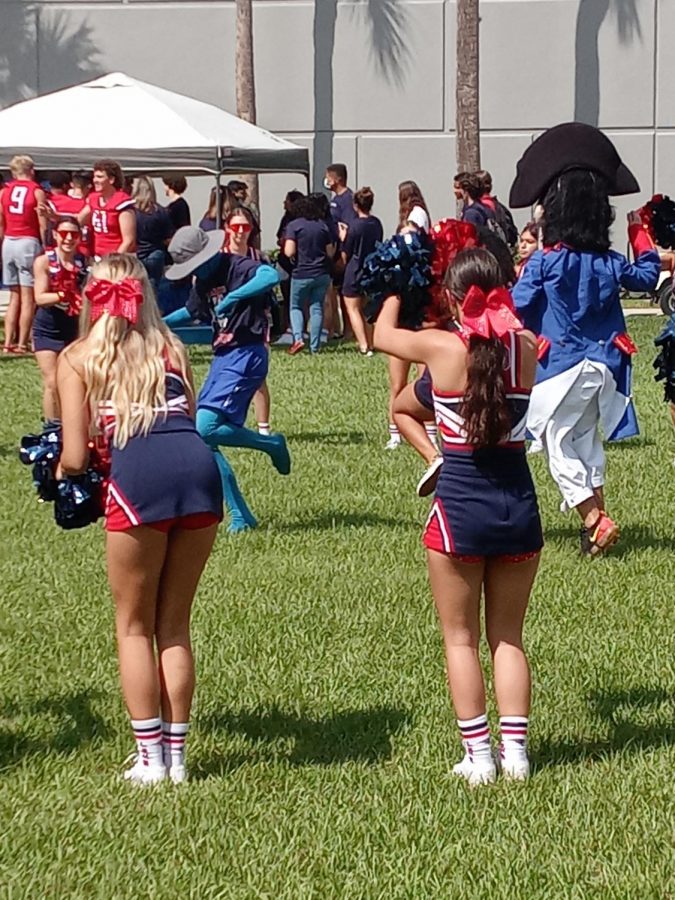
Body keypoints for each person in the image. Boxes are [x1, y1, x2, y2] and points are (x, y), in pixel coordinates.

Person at [374, 248, 542, 785]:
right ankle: (516, 755)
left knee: (460, 639)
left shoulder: (442, 347)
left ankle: (479, 757)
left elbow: (382, 336)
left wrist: (395, 284)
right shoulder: (526, 346)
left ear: (451, 297)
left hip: (460, 511)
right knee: (508, 638)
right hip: (519, 507)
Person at [56, 253, 222, 784]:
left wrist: (58, 473)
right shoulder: (171, 347)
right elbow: (189, 415)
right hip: (199, 471)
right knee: (175, 624)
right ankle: (177, 759)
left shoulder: (79, 356)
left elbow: (77, 456)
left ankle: (150, 759)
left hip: (140, 478)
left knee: (133, 625)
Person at [510, 122, 661, 555]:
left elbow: (515, 307)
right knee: (585, 440)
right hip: (607, 367)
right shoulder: (610, 262)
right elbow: (648, 274)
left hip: (561, 366)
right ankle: (595, 530)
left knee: (553, 438)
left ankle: (595, 519)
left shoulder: (546, 263)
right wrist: (640, 232)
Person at [164, 226, 290, 532]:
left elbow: (270, 276)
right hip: (222, 358)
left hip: (247, 354)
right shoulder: (203, 280)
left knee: (204, 428)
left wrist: (234, 297)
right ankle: (240, 514)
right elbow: (191, 312)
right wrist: (157, 323)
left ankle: (270, 444)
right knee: (202, 440)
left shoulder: (237, 265)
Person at [384, 181, 433, 450]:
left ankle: (431, 432)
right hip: (404, 320)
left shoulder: (415, 215)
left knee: (424, 378)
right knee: (398, 380)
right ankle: (395, 432)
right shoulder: (396, 281)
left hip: (419, 319)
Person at [33, 216, 87, 423]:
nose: (68, 239)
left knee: (75, 380)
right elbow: (40, 297)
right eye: (64, 234)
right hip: (47, 328)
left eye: (74, 235)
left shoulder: (83, 262)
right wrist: (65, 295)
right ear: (55, 235)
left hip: (74, 328)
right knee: (52, 382)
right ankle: (52, 427)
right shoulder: (44, 261)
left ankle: (75, 422)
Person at [224, 206, 273, 435]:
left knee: (257, 375)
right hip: (227, 325)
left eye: (245, 227)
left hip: (255, 322)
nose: (240, 232)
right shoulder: (220, 258)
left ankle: (263, 427)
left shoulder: (258, 258)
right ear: (227, 228)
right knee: (228, 375)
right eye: (236, 227)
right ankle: (230, 420)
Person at [0, 155, 47, 354]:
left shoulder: (4, 192)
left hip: (9, 241)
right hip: (28, 241)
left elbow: (1, 222)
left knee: (14, 295)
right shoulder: (37, 191)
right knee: (29, 297)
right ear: (32, 171)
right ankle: (22, 343)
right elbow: (42, 222)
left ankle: (8, 342)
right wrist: (46, 244)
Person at [283, 195, 336, 354]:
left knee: (295, 307)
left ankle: (298, 338)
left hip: (301, 273)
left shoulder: (294, 226)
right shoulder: (322, 226)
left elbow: (289, 251)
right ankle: (315, 346)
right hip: (322, 273)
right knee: (317, 308)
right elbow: (330, 252)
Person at [341, 187, 383, 356]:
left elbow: (346, 252)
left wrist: (344, 237)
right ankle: (372, 342)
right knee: (366, 308)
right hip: (371, 268)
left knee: (353, 308)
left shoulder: (354, 226)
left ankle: (363, 345)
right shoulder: (376, 223)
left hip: (355, 267)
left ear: (356, 205)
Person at [324, 164, 358, 338]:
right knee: (336, 292)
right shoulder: (335, 200)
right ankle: (337, 329)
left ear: (337, 179)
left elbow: (347, 230)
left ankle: (349, 330)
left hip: (343, 255)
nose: (326, 181)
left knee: (346, 293)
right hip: (334, 252)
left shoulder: (347, 200)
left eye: (328, 177)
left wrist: (343, 256)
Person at [79, 159, 136, 257]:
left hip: (118, 259)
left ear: (111, 180)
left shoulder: (122, 202)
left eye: (99, 177)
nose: (95, 180)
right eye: (94, 177)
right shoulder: (93, 199)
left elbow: (129, 241)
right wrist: (54, 216)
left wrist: (113, 261)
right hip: (97, 257)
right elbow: (78, 220)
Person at [132, 176, 173, 293]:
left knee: (136, 287)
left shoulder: (131, 212)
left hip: (137, 253)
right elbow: (168, 238)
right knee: (155, 288)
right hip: (156, 253)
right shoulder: (161, 211)